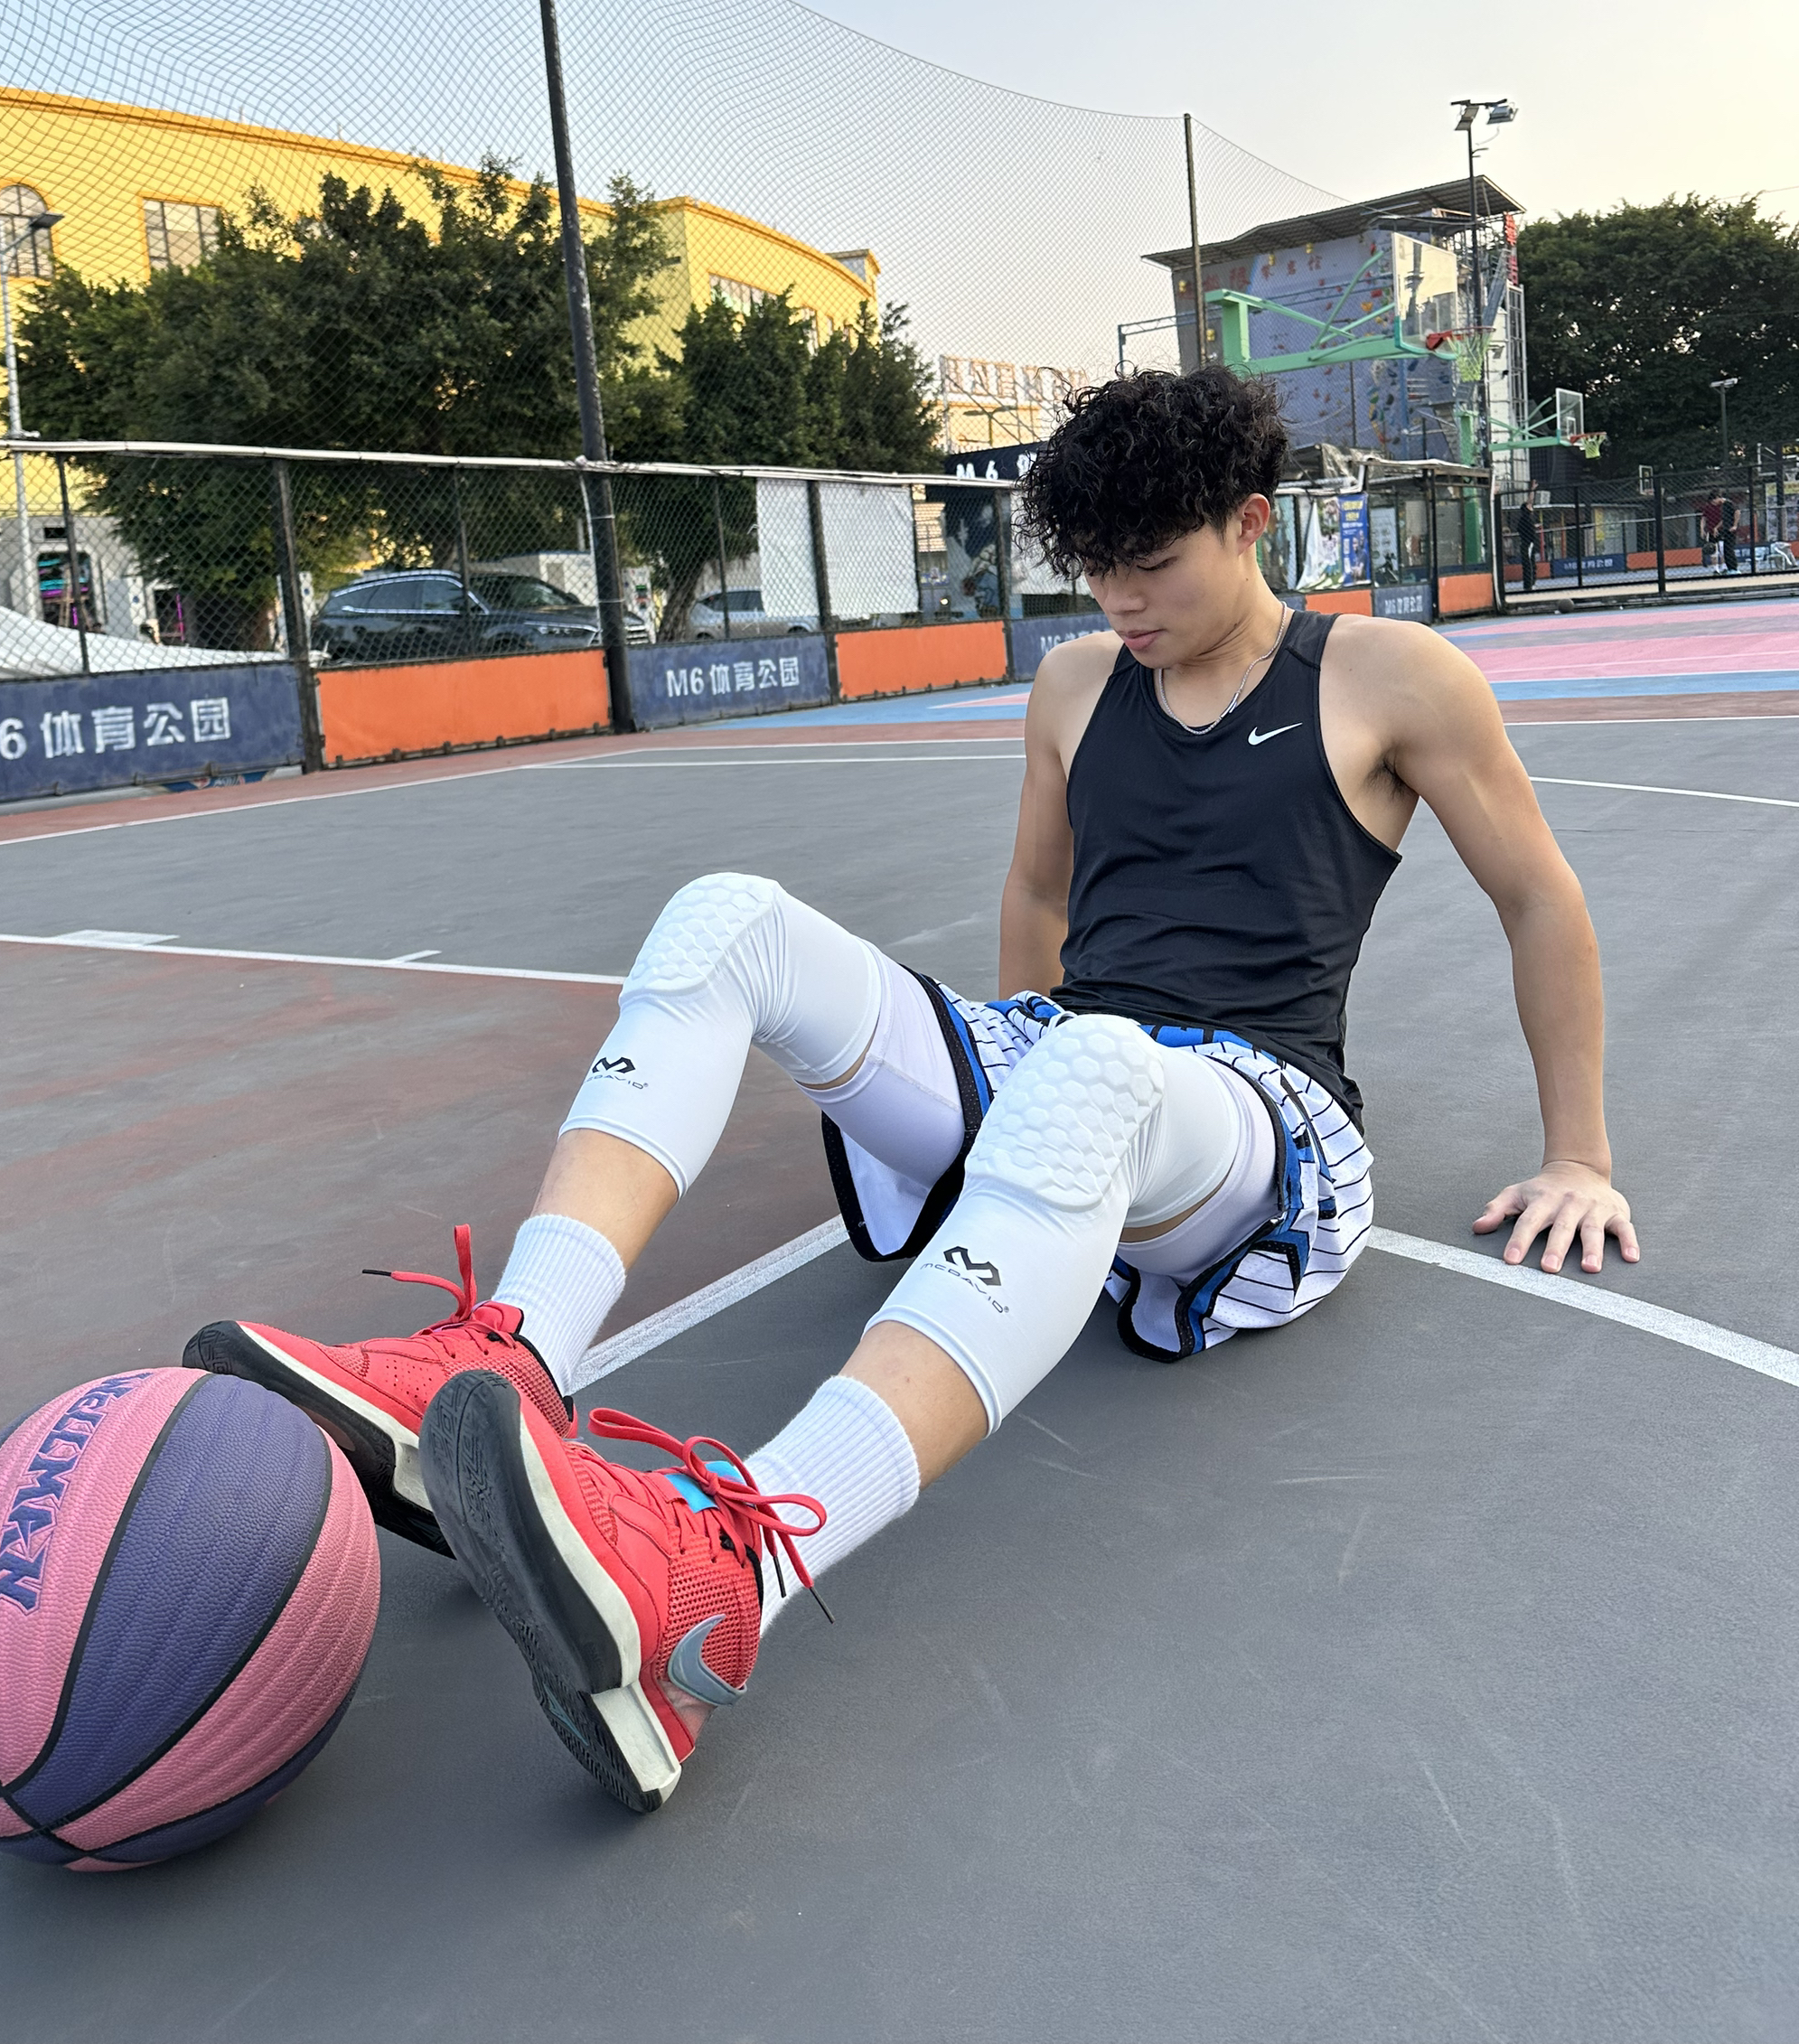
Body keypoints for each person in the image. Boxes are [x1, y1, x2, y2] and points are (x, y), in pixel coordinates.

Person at [186, 368, 1636, 1816]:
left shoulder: (1388, 678)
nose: (1118, 600)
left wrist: (1578, 1154)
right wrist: (1001, 1125)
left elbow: (1537, 898)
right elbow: (1039, 897)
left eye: (1150, 563)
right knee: (726, 918)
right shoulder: (1078, 685)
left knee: (1094, 1069)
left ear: (1251, 522)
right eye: (1093, 569)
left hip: (1263, 1133)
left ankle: (721, 1577)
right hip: (1074, 1057)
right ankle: (510, 1352)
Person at [1515, 496, 1538, 593]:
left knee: (1527, 563)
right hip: (1528, 542)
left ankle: (1528, 584)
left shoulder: (1524, 519)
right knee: (1529, 563)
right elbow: (1530, 531)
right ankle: (1530, 584)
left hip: (1525, 542)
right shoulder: (1527, 518)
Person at [1720, 492, 1738, 574]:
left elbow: (1737, 512)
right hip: (1726, 529)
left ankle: (1734, 568)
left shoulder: (1729, 503)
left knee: (1730, 549)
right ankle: (1730, 568)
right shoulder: (1723, 506)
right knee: (1726, 550)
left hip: (1730, 529)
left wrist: (1735, 525)